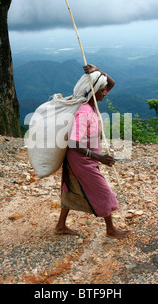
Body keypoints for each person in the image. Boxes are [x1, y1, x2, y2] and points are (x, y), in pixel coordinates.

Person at [54, 64, 130, 240]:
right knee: (104, 192)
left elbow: (111, 83)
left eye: (104, 90)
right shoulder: (84, 112)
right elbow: (73, 143)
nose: (105, 92)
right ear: (94, 91)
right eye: (101, 90)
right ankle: (110, 230)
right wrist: (99, 157)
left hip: (85, 159)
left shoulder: (92, 104)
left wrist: (98, 71)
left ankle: (60, 226)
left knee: (71, 189)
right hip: (81, 160)